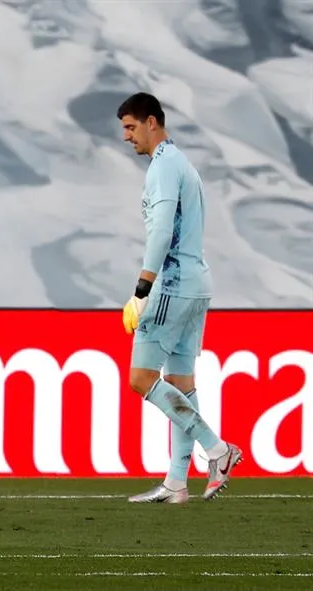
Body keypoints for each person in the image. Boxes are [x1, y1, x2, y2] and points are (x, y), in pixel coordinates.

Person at [116, 93, 242, 503]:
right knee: (181, 382)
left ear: (152, 122)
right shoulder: (182, 163)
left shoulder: (164, 166)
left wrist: (142, 289)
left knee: (141, 379)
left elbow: (161, 231)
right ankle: (176, 481)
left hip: (170, 284)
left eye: (131, 127)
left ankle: (218, 449)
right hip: (195, 282)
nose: (127, 137)